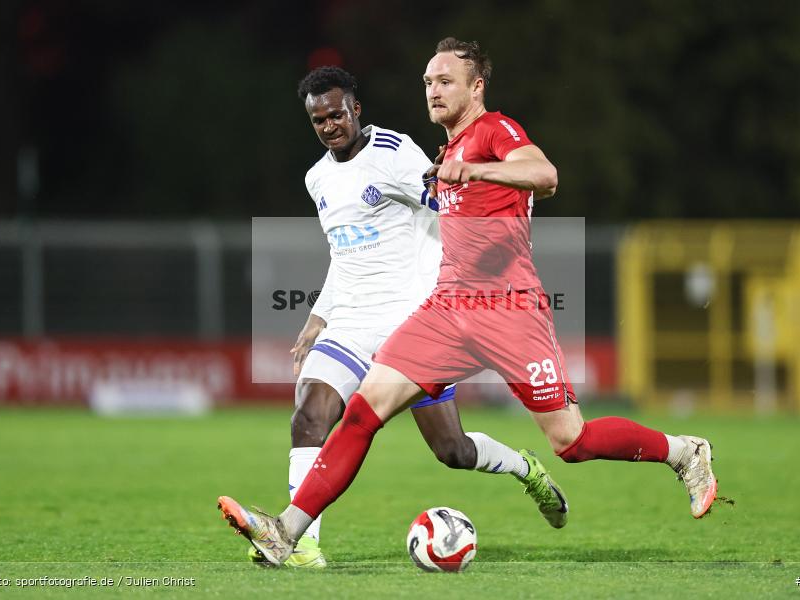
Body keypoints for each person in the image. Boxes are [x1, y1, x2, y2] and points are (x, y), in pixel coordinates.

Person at [219, 40, 717, 566]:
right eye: (428, 82)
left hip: (508, 310)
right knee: (363, 412)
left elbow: (544, 176)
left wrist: (479, 171)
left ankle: (685, 452)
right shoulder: (446, 149)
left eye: (446, 81)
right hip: (446, 310)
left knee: (571, 441)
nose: (433, 90)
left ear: (476, 87)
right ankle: (287, 531)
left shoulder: (492, 131)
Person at [241, 66, 568, 568]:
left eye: (337, 114)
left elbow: (451, 208)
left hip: (411, 324)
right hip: (350, 323)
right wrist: (317, 318)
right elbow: (342, 253)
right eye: (319, 120)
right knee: (309, 416)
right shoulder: (317, 178)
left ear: (356, 109)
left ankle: (525, 468)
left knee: (452, 450)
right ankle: (299, 543)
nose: (330, 125)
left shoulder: (395, 154)